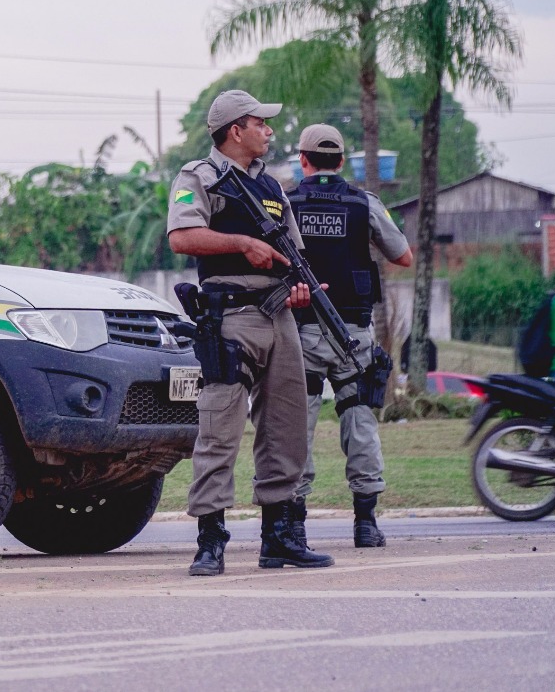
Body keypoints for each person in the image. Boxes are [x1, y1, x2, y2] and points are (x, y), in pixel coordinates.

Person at [167, 89, 335, 576]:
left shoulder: (275, 189)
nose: (270, 130)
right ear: (235, 129)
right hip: (231, 315)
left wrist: (303, 288)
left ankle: (280, 537)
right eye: (261, 123)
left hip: (280, 314)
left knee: (287, 425)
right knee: (219, 427)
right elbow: (181, 237)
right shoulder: (199, 177)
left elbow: (294, 257)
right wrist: (242, 243)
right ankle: (210, 539)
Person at [288, 124, 413, 549]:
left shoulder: (284, 204)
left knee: (296, 427)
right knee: (359, 422)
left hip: (300, 331)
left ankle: (295, 526)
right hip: (353, 333)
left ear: (302, 159)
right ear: (342, 161)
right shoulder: (365, 204)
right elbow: (404, 255)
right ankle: (365, 524)